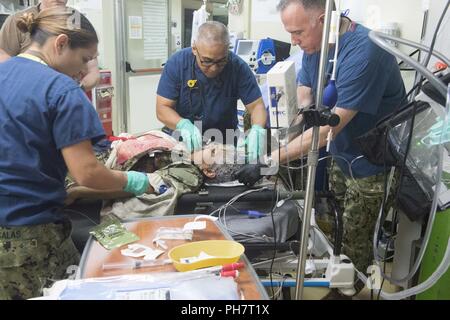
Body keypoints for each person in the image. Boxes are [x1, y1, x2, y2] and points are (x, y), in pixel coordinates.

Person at [235, 0, 406, 281]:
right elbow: (305, 84)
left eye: (298, 32)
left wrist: (270, 160)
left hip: (373, 165)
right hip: (343, 155)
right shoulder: (315, 45)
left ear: (324, 20)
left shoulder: (365, 52)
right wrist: (301, 114)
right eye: (290, 32)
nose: (294, 40)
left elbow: (328, 131)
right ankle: (336, 276)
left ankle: (348, 289)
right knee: (334, 229)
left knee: (354, 243)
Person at [0, 8, 153, 300]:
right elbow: (88, 172)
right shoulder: (61, 90)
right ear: (59, 43)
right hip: (31, 237)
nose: (84, 71)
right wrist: (132, 180)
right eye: (84, 59)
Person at [156, 21, 267, 160]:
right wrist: (182, 125)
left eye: (221, 61)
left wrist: (257, 130)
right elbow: (162, 108)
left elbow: (257, 106)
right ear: (194, 49)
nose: (214, 68)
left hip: (222, 144)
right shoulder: (177, 64)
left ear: (228, 50)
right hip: (181, 142)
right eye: (207, 61)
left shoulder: (238, 67)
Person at [0, 0, 100, 91]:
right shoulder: (17, 20)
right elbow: (4, 61)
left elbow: (93, 72)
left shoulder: (76, 20)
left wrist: (74, 90)